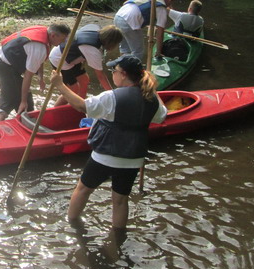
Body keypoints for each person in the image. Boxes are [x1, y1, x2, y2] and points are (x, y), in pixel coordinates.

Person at [51, 54, 167, 229]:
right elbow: (161, 117)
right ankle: (118, 238)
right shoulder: (152, 98)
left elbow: (82, 106)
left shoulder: (112, 97)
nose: (112, 73)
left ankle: (72, 225)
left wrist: (59, 85)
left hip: (106, 155)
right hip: (134, 158)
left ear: (124, 74)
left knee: (83, 190)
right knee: (120, 200)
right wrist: (153, 91)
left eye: (115, 70)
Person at [0, 23, 70, 121]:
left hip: (5, 57)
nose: (63, 42)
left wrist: (40, 78)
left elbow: (40, 60)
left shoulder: (45, 32)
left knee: (13, 93)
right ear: (53, 35)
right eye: (62, 39)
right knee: (15, 97)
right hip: (4, 64)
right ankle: (2, 122)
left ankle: (19, 117)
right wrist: (23, 101)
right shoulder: (39, 47)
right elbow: (28, 76)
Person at [49, 24, 123, 106]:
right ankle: (54, 110)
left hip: (73, 55)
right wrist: (112, 95)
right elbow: (100, 76)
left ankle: (81, 105)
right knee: (73, 89)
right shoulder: (92, 49)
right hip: (60, 58)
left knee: (84, 80)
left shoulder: (95, 28)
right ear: (111, 42)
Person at [113, 0, 177, 61]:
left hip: (118, 16)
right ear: (170, 1)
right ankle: (132, 70)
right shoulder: (161, 8)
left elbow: (126, 2)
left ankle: (121, 67)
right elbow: (160, 32)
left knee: (125, 48)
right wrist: (158, 52)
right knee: (138, 52)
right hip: (129, 22)